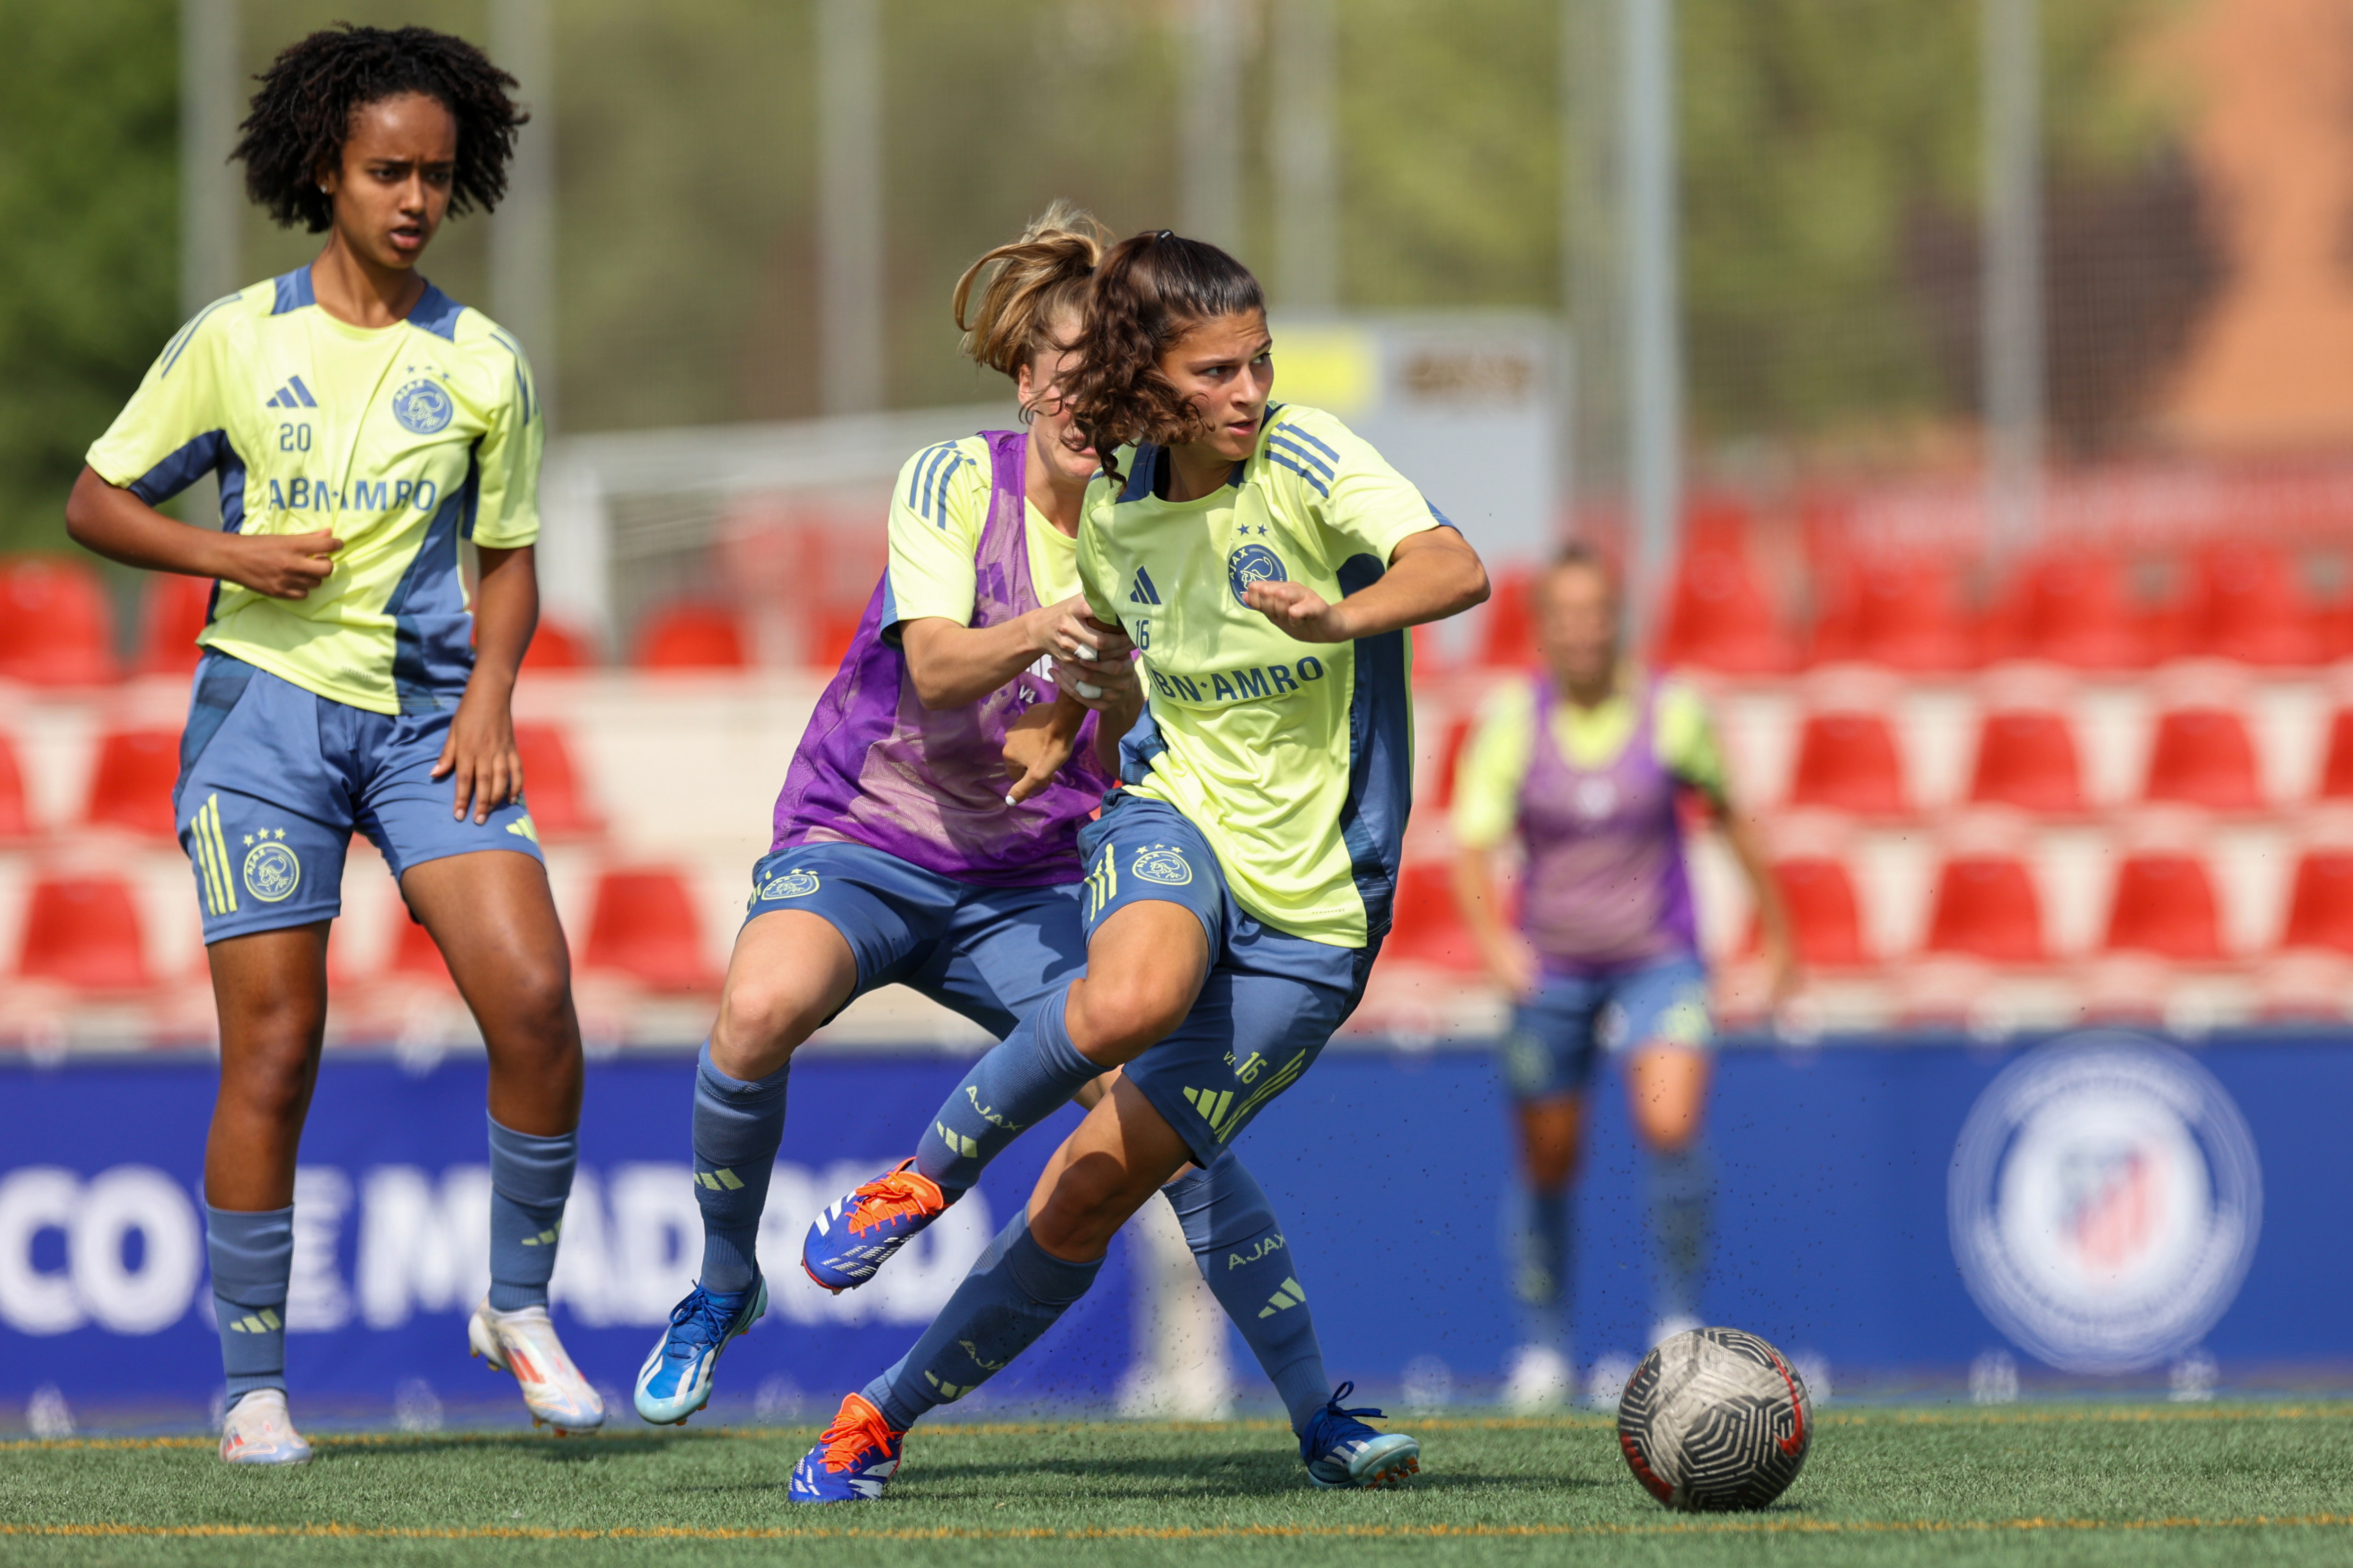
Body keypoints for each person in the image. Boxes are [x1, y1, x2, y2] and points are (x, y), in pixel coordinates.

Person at [631, 206, 1353, 1447]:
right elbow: (936, 670)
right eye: (1061, 378)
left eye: (1105, 386)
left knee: (1167, 1123)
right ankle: (718, 1284)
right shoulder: (952, 477)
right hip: (864, 837)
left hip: (1026, 881)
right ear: (1026, 380)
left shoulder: (1152, 526)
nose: (1081, 405)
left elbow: (1137, 701)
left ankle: (1316, 1412)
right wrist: (1055, 632)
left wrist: (1101, 686)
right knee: (755, 1012)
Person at [794, 229, 1490, 1501]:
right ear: (1153, 382)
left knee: (1085, 1197)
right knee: (1127, 999)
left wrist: (1342, 612)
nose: (1248, 393)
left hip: (1323, 913)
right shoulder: (1117, 511)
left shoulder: (1309, 454)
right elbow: (1115, 625)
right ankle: (916, 1181)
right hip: (1172, 819)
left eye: (1258, 363)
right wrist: (1066, 714)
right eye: (1217, 372)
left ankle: (876, 1417)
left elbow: (1454, 564)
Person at [64, 25, 597, 1462]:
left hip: (433, 725)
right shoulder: (239, 337)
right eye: (386, 172)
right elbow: (94, 501)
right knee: (278, 1049)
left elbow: (511, 556)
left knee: (538, 1003)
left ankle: (515, 1308)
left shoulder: (487, 364)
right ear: (327, 172)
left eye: (435, 174)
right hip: (266, 722)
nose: (414, 198)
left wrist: (493, 688)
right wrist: (224, 548)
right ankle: (251, 1393)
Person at [1448, 546, 1798, 1410]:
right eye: (1562, 615)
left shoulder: (1673, 712)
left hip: (1658, 960)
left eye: (1594, 612)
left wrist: (1780, 939)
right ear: (1543, 630)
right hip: (1553, 968)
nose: (1581, 630)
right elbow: (1472, 845)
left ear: (1617, 620)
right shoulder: (1513, 720)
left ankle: (1675, 1321)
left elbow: (1733, 821)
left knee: (1670, 1121)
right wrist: (1497, 944)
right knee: (1549, 1161)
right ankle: (1544, 1349)